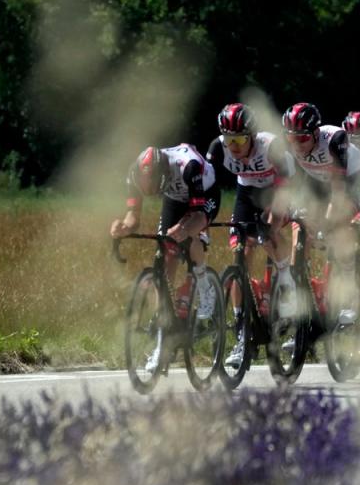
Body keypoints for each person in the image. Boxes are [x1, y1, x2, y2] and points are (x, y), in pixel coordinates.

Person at [110, 143, 220, 372]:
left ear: (161, 175)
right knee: (165, 251)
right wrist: (122, 227)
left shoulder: (188, 167)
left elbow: (198, 216)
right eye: (144, 186)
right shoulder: (133, 174)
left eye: (151, 186)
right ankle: (165, 335)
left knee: (189, 237)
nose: (147, 189)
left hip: (204, 195)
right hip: (175, 198)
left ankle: (204, 285)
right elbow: (133, 218)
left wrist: (184, 229)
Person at [208, 103, 295, 368]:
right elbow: (207, 183)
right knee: (241, 255)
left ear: (252, 136)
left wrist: (275, 216)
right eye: (228, 139)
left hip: (277, 189)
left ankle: (287, 278)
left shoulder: (270, 147)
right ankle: (241, 328)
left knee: (269, 236)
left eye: (239, 139)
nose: (233, 146)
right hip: (246, 193)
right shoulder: (217, 148)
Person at [281, 102, 360, 327]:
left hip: (349, 181)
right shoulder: (290, 146)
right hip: (317, 180)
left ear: (316, 133)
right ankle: (298, 287)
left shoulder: (335, 140)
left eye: (302, 138)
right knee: (299, 224)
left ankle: (351, 297)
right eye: (292, 138)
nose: (296, 145)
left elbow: (339, 191)